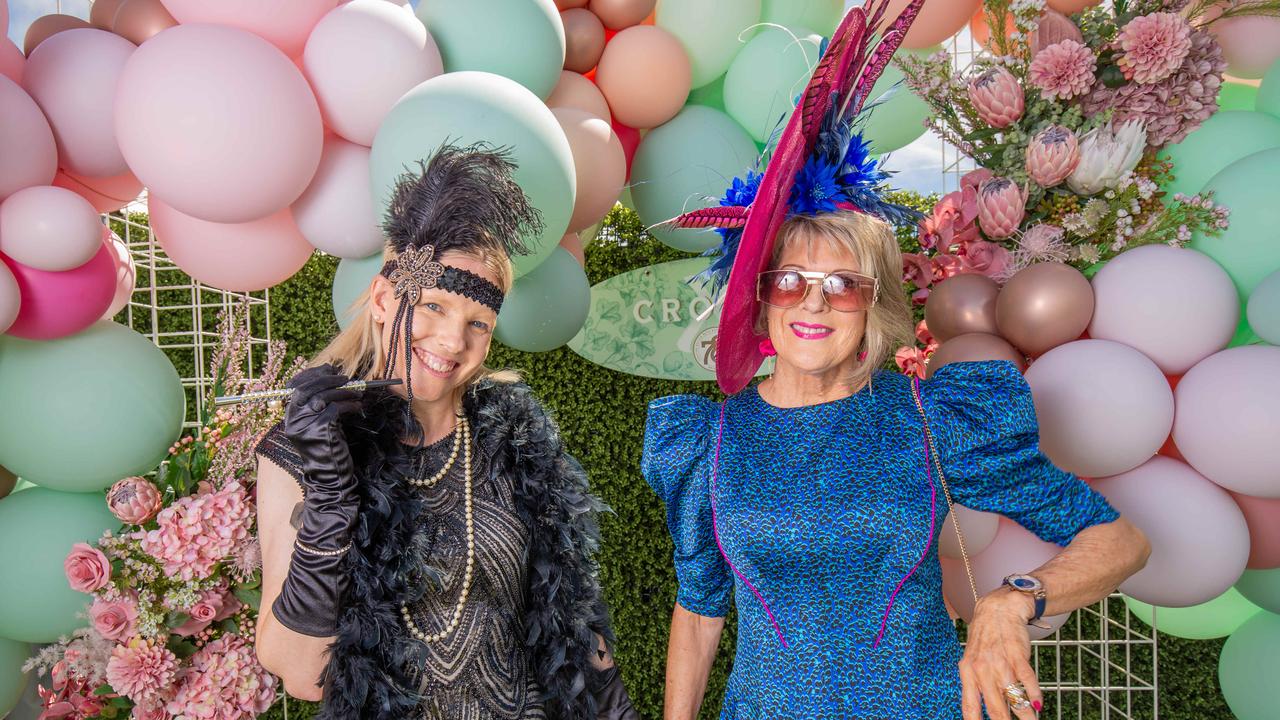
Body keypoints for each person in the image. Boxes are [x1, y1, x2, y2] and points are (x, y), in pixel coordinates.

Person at [641, 3, 1150, 719]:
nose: (812, 306)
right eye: (790, 281)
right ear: (758, 302)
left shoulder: (932, 419)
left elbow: (1120, 540)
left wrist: (1014, 601)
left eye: (841, 287)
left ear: (872, 309)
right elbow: (698, 611)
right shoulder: (709, 442)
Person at [253, 144, 638, 720]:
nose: (453, 342)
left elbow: (577, 624)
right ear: (385, 300)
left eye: (477, 323)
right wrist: (332, 500)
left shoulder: (515, 442)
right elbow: (302, 673)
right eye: (432, 306)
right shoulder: (299, 452)